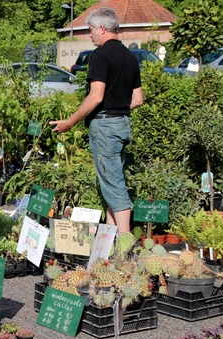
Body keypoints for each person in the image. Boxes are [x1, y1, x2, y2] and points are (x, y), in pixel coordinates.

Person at [50, 7, 143, 235]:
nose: (89, 34)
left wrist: (70, 122)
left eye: (90, 30)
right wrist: (117, 107)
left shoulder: (100, 55)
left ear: (102, 28)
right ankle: (110, 243)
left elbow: (96, 96)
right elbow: (138, 99)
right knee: (111, 183)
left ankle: (124, 244)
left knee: (114, 186)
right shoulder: (130, 57)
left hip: (105, 127)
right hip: (122, 124)